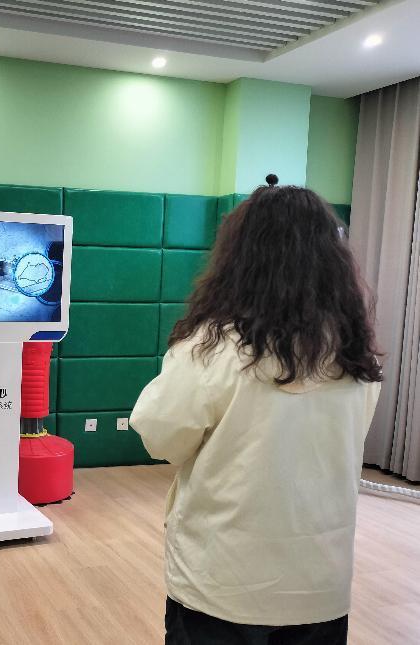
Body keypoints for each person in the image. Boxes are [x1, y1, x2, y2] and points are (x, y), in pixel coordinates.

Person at [130, 175, 382, 645]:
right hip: (321, 585)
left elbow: (160, 438)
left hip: (223, 583)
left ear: (240, 258)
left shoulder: (213, 347)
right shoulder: (355, 356)